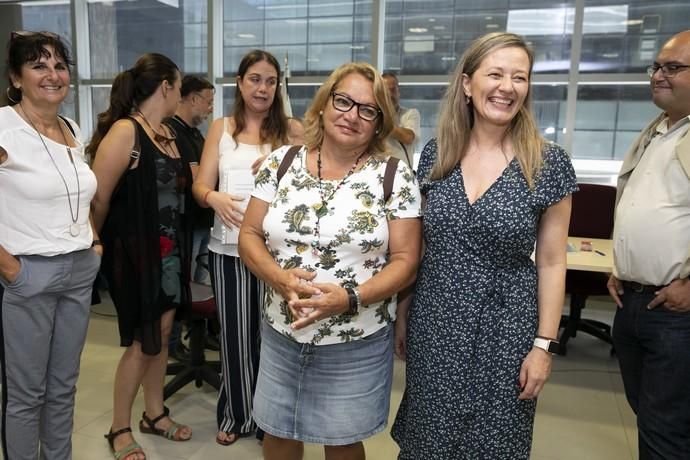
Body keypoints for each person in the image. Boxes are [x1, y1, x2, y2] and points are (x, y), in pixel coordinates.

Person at [391, 32, 577, 459]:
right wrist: (403, 312)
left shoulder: (547, 163)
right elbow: (421, 246)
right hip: (435, 323)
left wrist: (543, 345)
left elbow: (551, 262)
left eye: (520, 77)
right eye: (495, 74)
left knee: (493, 444)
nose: (507, 87)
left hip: (507, 331)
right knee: (427, 439)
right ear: (467, 84)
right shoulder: (437, 154)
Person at [239, 61, 422, 460]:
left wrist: (349, 298)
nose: (352, 115)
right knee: (279, 432)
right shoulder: (280, 164)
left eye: (367, 110)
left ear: (379, 122)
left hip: (355, 339)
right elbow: (249, 235)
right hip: (282, 332)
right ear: (324, 104)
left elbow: (407, 259)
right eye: (343, 101)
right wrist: (278, 278)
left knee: (341, 440)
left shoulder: (395, 176)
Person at [0, 30, 100, 460]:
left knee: (64, 386)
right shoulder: (4, 126)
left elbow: (79, 192)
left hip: (78, 269)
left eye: (60, 65)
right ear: (16, 77)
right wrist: (9, 268)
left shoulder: (71, 127)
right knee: (27, 395)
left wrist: (93, 242)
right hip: (29, 274)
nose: (53, 74)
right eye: (39, 65)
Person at [89, 53, 193, 460]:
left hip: (168, 253)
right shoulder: (124, 131)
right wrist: (94, 244)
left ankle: (155, 414)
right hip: (134, 254)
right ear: (165, 86)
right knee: (140, 341)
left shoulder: (165, 131)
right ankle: (119, 427)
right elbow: (98, 198)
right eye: (179, 85)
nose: (182, 93)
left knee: (163, 335)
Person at [192, 49, 292, 446]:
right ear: (239, 82)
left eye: (270, 81)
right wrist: (212, 198)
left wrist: (281, 162)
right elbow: (201, 185)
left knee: (272, 339)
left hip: (275, 256)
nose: (262, 88)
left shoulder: (291, 133)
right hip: (228, 252)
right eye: (255, 79)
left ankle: (269, 419)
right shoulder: (222, 127)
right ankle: (236, 415)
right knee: (234, 337)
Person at [607, 30, 690, 460]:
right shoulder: (657, 131)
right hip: (634, 302)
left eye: (673, 68)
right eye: (657, 66)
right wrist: (622, 266)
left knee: (666, 431)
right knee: (652, 418)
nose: (659, 75)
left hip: (676, 312)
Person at [166, 74, 215, 362]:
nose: (210, 108)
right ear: (193, 98)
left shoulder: (197, 135)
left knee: (201, 288)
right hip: (183, 227)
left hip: (203, 222)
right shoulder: (171, 133)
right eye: (208, 102)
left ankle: (200, 334)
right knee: (181, 287)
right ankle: (172, 341)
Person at [382, 71, 420, 168]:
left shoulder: (411, 113)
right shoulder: (370, 115)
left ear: (399, 92)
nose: (390, 95)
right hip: (377, 174)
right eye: (385, 91)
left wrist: (380, 122)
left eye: (393, 90)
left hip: (403, 175)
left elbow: (408, 137)